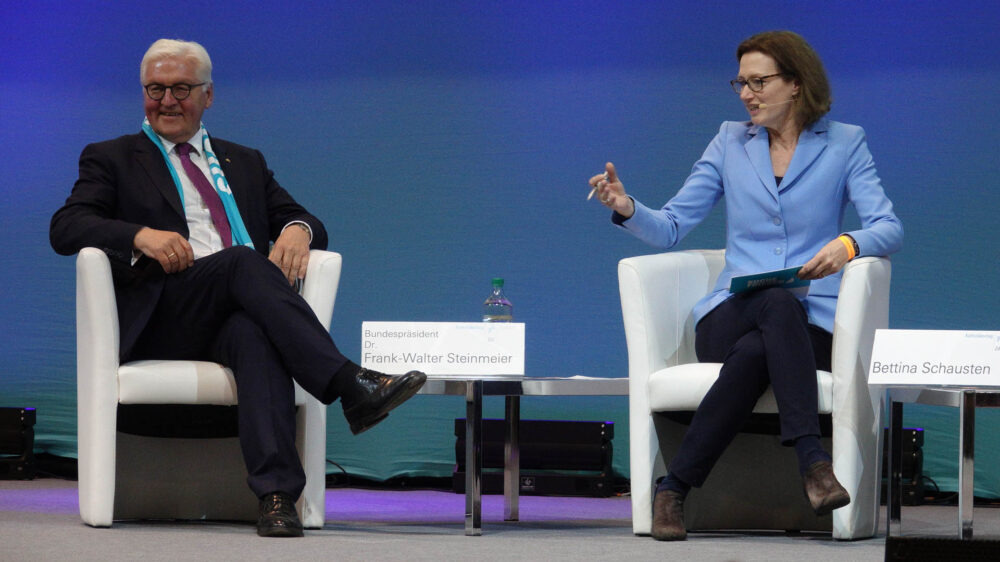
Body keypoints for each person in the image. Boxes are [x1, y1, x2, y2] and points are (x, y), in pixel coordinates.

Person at [50, 39, 427, 538]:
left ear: (209, 96)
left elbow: (302, 216)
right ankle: (346, 383)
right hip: (166, 312)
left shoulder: (243, 161)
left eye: (180, 89)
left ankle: (275, 498)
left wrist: (297, 229)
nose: (166, 100)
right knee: (242, 263)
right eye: (155, 89)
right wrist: (138, 235)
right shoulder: (113, 157)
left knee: (254, 332)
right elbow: (67, 226)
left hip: (232, 309)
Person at [589, 30, 902, 541]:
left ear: (796, 84)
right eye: (741, 82)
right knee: (772, 305)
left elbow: (889, 226)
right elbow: (670, 225)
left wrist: (847, 245)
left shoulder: (845, 143)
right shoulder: (730, 141)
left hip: (810, 324)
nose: (746, 94)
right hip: (730, 316)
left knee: (770, 333)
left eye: (759, 82)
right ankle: (813, 462)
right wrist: (625, 207)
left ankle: (674, 488)